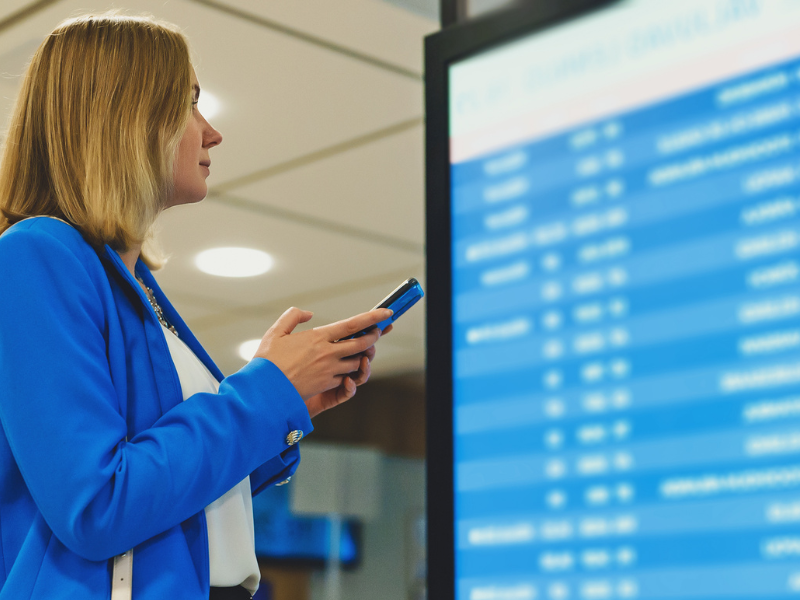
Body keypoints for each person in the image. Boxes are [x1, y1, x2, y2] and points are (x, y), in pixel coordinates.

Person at [0, 11, 392, 600]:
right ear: (126, 116)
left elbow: (174, 500)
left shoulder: (133, 284)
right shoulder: (36, 253)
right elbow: (98, 504)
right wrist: (264, 392)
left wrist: (285, 399)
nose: (211, 133)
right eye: (189, 105)